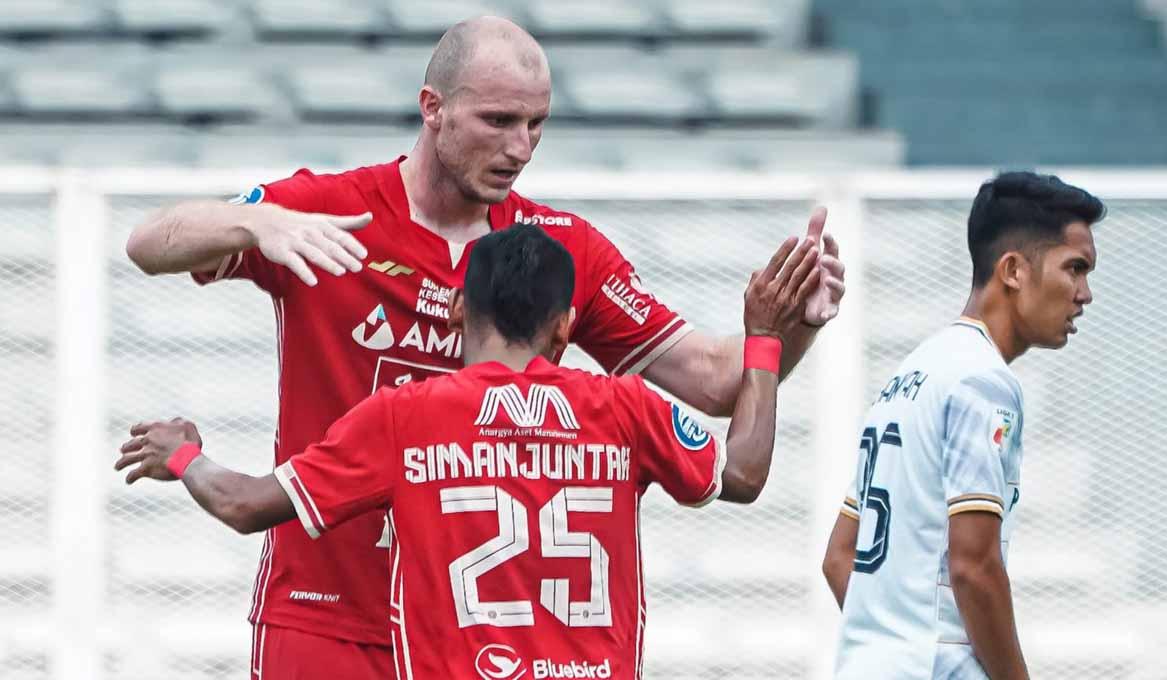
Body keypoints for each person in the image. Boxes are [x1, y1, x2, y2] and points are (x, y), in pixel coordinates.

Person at [123, 15, 845, 679]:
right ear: (432, 108)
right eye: (498, 120)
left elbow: (720, 384)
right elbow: (147, 243)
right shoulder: (326, 212)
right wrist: (254, 224)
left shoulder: (556, 253)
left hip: (479, 638)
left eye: (537, 124)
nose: (520, 148)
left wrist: (796, 324)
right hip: (329, 615)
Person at [116, 223, 817, 679]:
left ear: (457, 308)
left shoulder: (406, 418)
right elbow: (745, 472)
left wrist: (183, 454)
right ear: (567, 326)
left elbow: (243, 505)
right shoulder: (623, 407)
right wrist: (764, 335)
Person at [820, 171, 1104, 680]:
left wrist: (893, 644)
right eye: (1075, 269)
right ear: (1014, 270)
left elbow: (840, 557)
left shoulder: (908, 375)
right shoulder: (983, 382)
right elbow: (973, 567)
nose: (1085, 294)